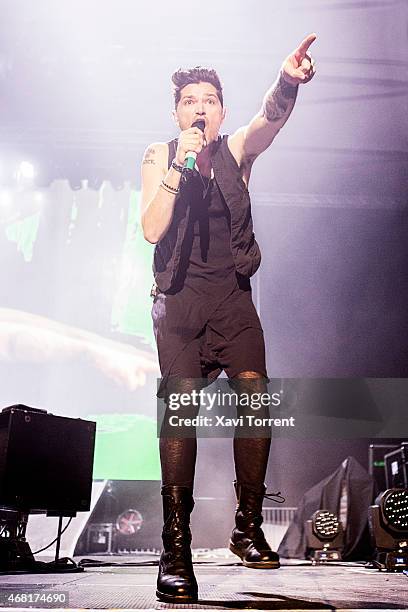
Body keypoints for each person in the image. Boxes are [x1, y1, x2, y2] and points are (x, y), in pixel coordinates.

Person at [140, 33, 316, 603]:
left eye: (210, 99)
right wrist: (178, 168)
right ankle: (175, 548)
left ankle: (246, 525)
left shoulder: (236, 150)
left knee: (256, 395)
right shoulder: (159, 155)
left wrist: (287, 79)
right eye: (190, 99)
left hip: (232, 298)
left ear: (221, 110)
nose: (200, 107)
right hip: (180, 301)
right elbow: (150, 229)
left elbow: (271, 121)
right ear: (176, 111)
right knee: (182, 412)